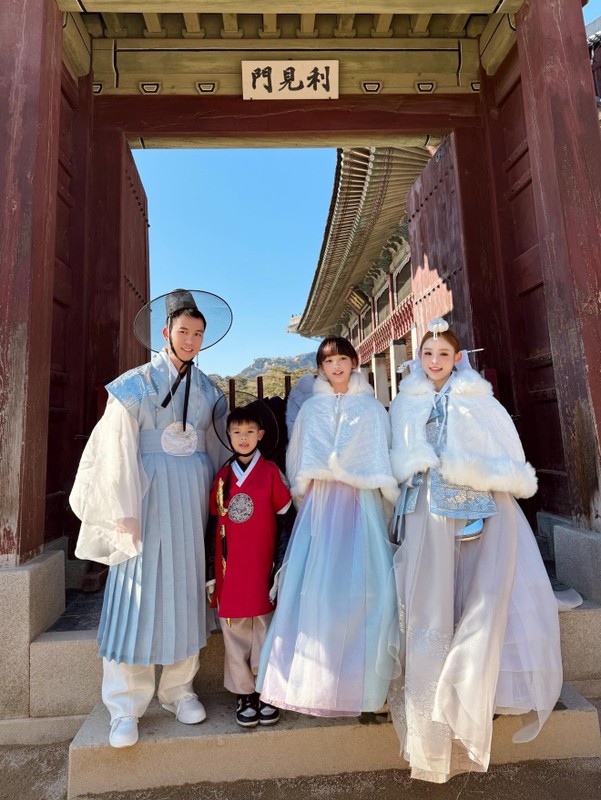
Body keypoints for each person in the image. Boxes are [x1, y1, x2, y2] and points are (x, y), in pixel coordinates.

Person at [387, 318, 563, 783]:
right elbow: (399, 450)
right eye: (428, 354)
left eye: (444, 354)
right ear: (419, 358)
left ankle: (476, 687)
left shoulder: (478, 400)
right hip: (429, 507)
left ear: (458, 358)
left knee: (480, 592)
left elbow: (501, 444)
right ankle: (432, 703)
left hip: (481, 506)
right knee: (433, 600)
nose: (435, 362)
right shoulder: (408, 401)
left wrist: (478, 471)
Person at [69, 289, 231, 748]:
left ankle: (179, 690)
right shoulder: (134, 384)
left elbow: (219, 447)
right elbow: (115, 449)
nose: (191, 340)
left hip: (191, 496)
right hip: (145, 497)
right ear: (166, 333)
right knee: (135, 594)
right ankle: (124, 705)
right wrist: (123, 510)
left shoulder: (207, 390)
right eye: (183, 331)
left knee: (184, 588)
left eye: (198, 334)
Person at [256, 336, 400, 717]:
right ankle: (310, 681)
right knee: (316, 590)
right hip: (322, 503)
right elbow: (299, 456)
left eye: (342, 359)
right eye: (328, 361)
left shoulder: (372, 409)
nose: (336, 366)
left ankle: (366, 685)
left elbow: (381, 453)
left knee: (368, 589)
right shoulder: (311, 410)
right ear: (321, 368)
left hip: (361, 502)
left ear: (354, 362)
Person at [205, 404, 295, 728]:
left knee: (265, 627)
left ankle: (267, 689)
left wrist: (281, 562)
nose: (243, 438)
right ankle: (244, 692)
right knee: (236, 630)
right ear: (228, 437)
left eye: (249, 432)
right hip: (231, 569)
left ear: (261, 434)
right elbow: (212, 527)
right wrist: (210, 573)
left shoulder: (271, 472)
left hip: (262, 563)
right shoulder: (222, 478)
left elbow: (286, 518)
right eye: (236, 432)